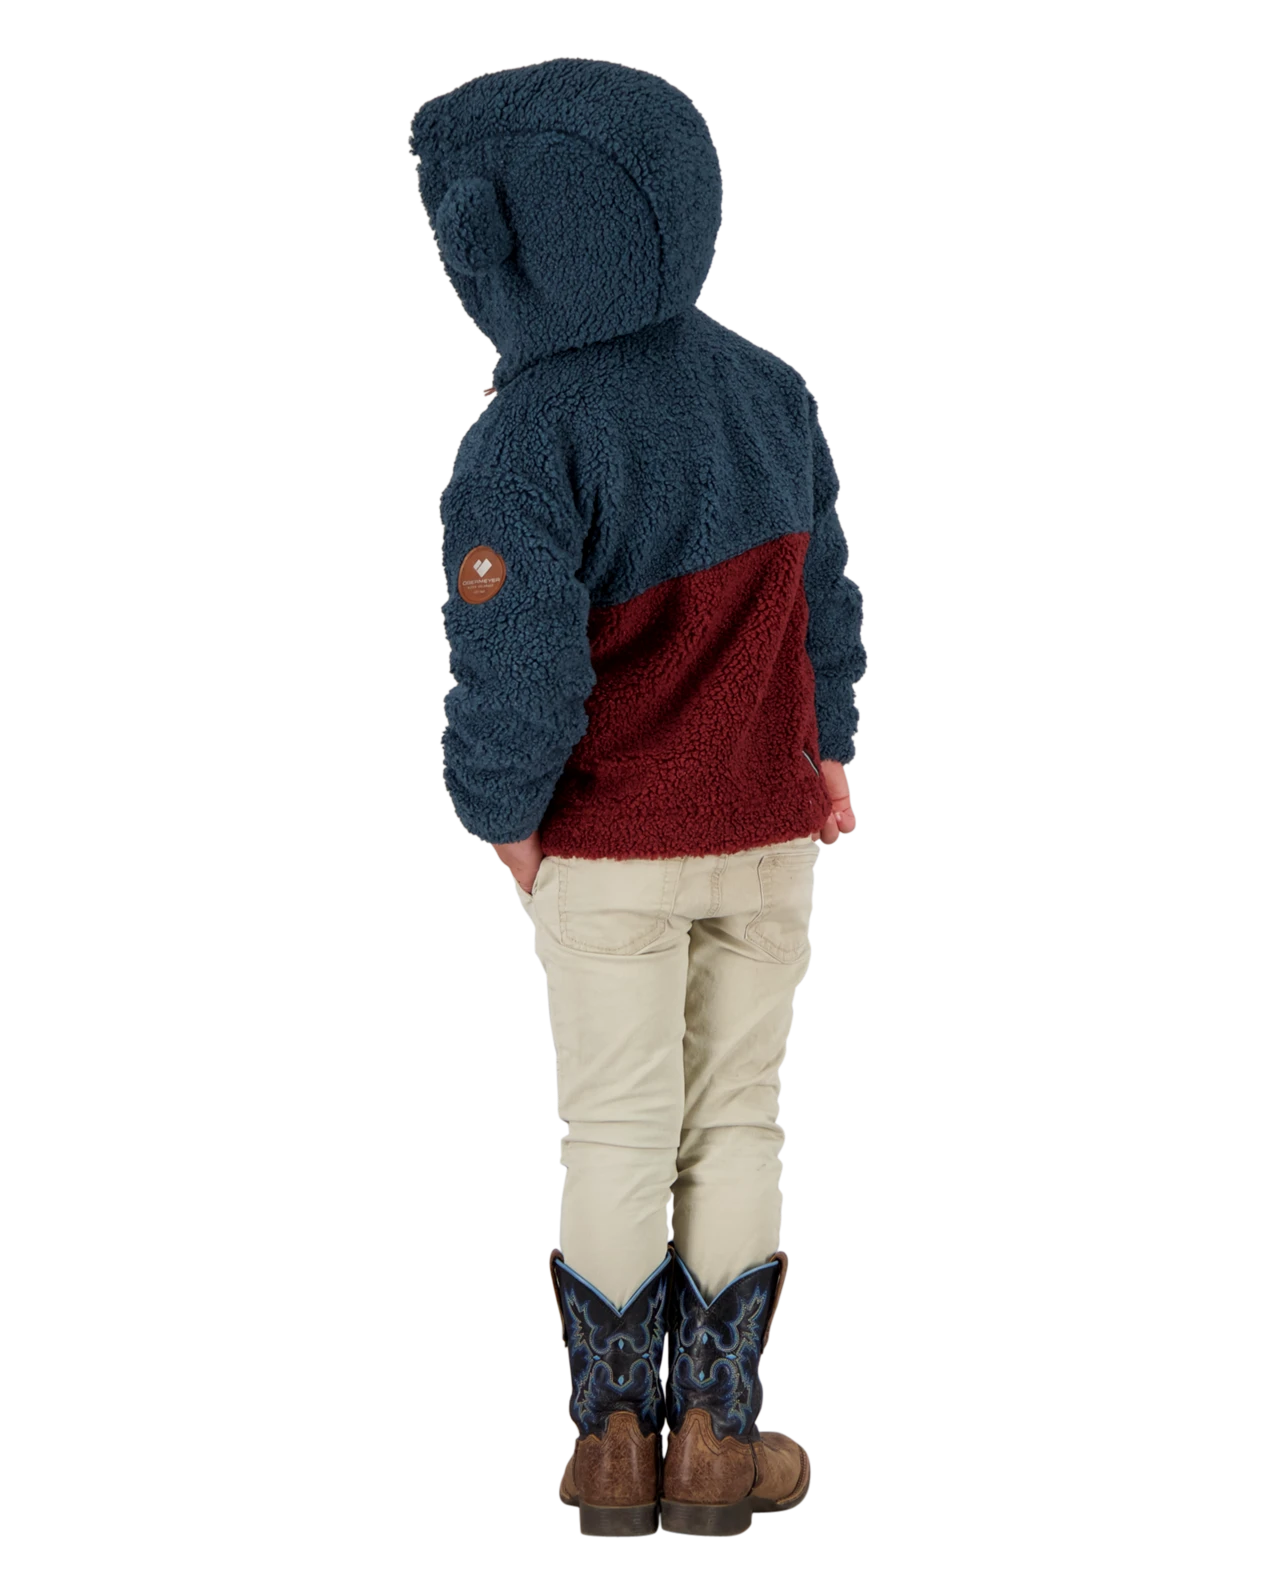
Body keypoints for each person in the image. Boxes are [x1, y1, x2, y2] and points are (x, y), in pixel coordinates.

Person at [411, 57, 866, 1538]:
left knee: (613, 1125)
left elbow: (518, 670)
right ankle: (721, 1443)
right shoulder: (771, 391)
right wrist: (829, 753)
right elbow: (827, 605)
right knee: (738, 1121)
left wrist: (504, 815)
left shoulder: (523, 436)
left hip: (610, 844)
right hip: (768, 832)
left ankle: (611, 1449)